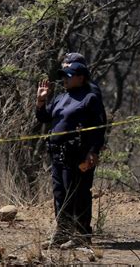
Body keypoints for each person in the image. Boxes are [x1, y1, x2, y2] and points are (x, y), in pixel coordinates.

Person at [36, 61, 106, 249]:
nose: (64, 79)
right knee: (60, 194)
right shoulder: (60, 97)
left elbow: (99, 129)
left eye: (68, 75)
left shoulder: (90, 98)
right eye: (63, 75)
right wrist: (41, 101)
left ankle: (82, 236)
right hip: (57, 154)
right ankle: (62, 233)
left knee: (78, 194)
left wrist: (93, 151)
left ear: (80, 77)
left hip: (78, 154)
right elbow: (44, 117)